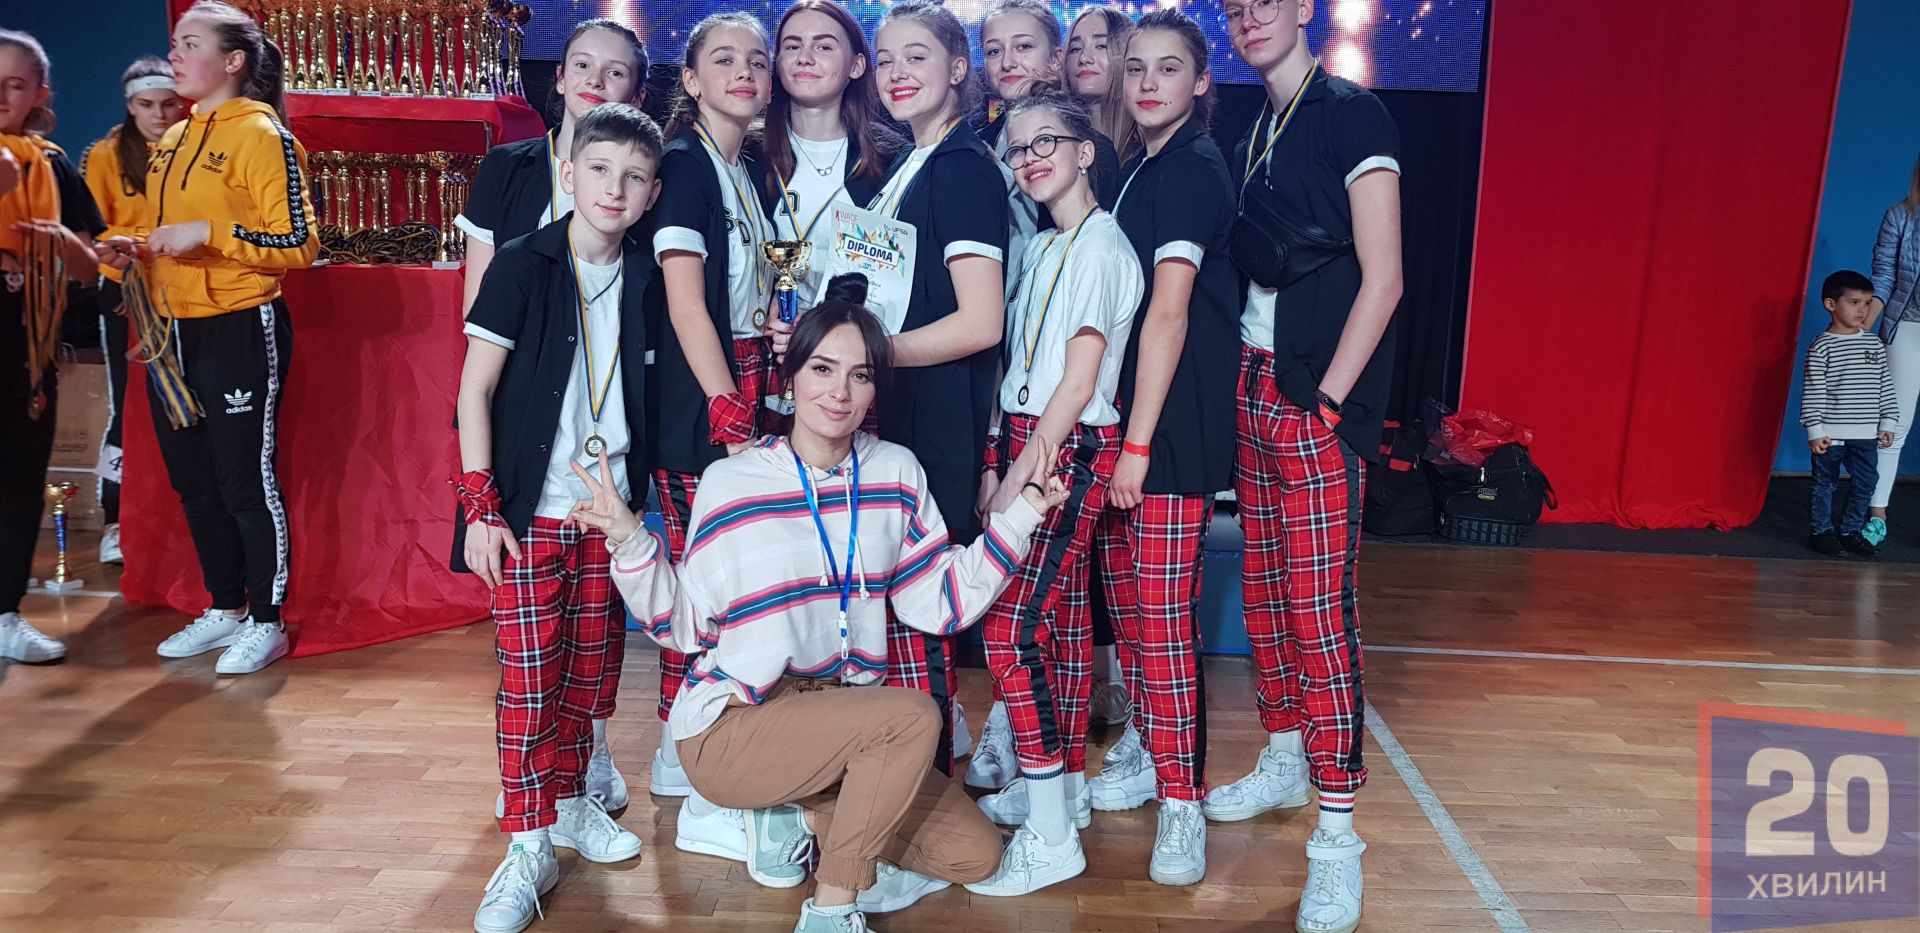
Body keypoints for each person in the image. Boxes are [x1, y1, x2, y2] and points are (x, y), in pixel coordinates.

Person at [575, 277, 1068, 933]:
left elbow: (939, 602)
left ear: (874, 390)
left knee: (974, 854)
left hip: (840, 721)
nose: (840, 391)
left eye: (860, 375)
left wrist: (1024, 514)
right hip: (736, 723)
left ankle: (795, 810)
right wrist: (630, 539)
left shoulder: (895, 472)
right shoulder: (733, 481)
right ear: (791, 378)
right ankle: (831, 908)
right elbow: (684, 623)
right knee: (911, 717)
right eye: (823, 369)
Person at [453, 103, 664, 933]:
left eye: (635, 177)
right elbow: (474, 389)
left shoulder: (647, 275)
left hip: (606, 517)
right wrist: (479, 505)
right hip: (529, 513)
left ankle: (573, 799)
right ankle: (527, 842)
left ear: (651, 194)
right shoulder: (522, 264)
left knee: (590, 673)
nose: (616, 188)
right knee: (530, 680)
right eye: (600, 169)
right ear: (568, 173)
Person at [1224, 1, 1404, 930]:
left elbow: (1385, 275)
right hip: (1253, 383)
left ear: (1304, 8)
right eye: (1234, 6)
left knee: (1319, 614)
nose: (1249, 16)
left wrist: (1329, 399)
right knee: (1262, 593)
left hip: (1311, 399)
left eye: (1267, 0)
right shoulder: (1257, 124)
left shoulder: (1351, 112)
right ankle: (1286, 757)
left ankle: (1337, 840)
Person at [96, 0, 318, 675]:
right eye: (175, 43)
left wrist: (210, 235)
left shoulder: (262, 134)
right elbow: (171, 235)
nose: (177, 55)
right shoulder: (173, 140)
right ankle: (225, 605)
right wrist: (134, 248)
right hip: (171, 332)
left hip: (238, 325)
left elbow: (299, 243)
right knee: (194, 481)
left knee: (243, 480)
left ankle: (267, 620)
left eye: (191, 44)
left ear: (233, 61)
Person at [964, 88, 1142, 898]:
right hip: (1026, 436)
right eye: (1018, 147)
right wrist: (995, 457)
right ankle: (1061, 788)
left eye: (1046, 142)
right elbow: (1020, 369)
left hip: (1066, 447)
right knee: (1063, 629)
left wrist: (1021, 476)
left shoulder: (1103, 247)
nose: (1030, 157)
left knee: (1010, 633)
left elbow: (1075, 383)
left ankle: (1050, 835)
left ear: (1084, 151)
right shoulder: (1042, 245)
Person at [1081, 8, 1238, 888]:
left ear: (1200, 81)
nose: (1146, 82)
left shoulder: (1191, 170)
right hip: (1129, 420)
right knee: (1133, 610)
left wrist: (1137, 444)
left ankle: (1183, 798)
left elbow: (1169, 315)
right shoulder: (1143, 163)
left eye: (1168, 68)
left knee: (1163, 618)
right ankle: (1147, 747)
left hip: (1169, 427)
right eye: (1134, 66)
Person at [854, 0, 1010, 777]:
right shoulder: (910, 164)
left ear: (957, 69)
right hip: (902, 417)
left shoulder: (963, 168)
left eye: (916, 57)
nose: (896, 73)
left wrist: (866, 356)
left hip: (937, 422)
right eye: (885, 59)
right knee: (897, 616)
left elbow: (982, 320)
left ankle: (925, 795)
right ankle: (916, 773)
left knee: (920, 616)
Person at [645, 11, 776, 803]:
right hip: (706, 396)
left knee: (735, 578)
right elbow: (686, 303)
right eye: (724, 60)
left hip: (748, 376)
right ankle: (678, 752)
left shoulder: (745, 169)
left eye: (757, 60)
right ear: (691, 81)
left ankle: (706, 750)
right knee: (702, 585)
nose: (745, 72)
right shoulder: (686, 163)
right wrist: (728, 411)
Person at [0, 28, 105, 665]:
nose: (1, 96)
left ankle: (5, 614)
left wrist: (62, 241)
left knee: (18, 480)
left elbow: (90, 268)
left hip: (26, 342)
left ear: (40, 94)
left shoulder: (54, 164)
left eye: (15, 85)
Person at [455, 19, 647, 316]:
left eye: (615, 72)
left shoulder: (646, 181)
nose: (595, 80)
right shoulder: (505, 166)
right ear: (561, 78)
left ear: (637, 98)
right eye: (582, 65)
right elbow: (478, 306)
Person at [1062, 2, 1138, 730]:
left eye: (1101, 44)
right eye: (1074, 44)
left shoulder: (1139, 154)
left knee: (1113, 545)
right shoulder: (1051, 147)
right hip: (1062, 378)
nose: (1085, 54)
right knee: (1079, 549)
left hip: (1115, 379)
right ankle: (1082, 682)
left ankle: (1112, 681)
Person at [83, 56, 186, 567]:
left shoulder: (193, 146)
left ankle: (178, 518)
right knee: (127, 403)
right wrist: (130, 247)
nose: (159, 114)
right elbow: (92, 225)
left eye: (168, 103)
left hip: (183, 287)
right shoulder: (106, 155)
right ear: (130, 106)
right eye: (147, 104)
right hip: (125, 286)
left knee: (183, 403)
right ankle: (116, 519)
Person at [762, 0, 903, 308]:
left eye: (824, 47)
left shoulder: (891, 159)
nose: (804, 58)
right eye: (792, 46)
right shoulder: (750, 155)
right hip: (763, 334)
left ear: (856, 66)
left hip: (856, 332)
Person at [976, 0, 1121, 266]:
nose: (1007, 62)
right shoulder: (977, 145)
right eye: (994, 51)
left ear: (1056, 59)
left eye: (1023, 47)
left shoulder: (1086, 147)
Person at [1803, 270, 1896, 557]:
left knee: (1866, 481)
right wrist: (1815, 430)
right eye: (1854, 302)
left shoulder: (1873, 344)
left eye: (1866, 303)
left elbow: (1885, 385)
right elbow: (1813, 391)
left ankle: (1850, 531)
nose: (1862, 310)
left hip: (1865, 434)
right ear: (1831, 305)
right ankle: (1821, 532)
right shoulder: (1822, 346)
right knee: (1825, 483)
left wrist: (1888, 421)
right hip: (1831, 434)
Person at [1866, 152, 1920, 545]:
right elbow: (1884, 275)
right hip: (1908, 326)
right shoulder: (1900, 215)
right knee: (1893, 425)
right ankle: (1877, 511)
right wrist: (1864, 325)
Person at [1065, 5, 1137, 162]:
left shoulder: (1149, 146)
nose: (1084, 58)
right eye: (1075, 49)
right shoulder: (1059, 146)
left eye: (1101, 46)